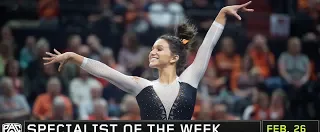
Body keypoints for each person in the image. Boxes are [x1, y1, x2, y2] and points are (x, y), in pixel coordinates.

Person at [43, 2, 254, 120]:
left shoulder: (190, 78)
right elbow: (105, 71)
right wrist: (73, 56)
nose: (152, 52)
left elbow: (207, 46)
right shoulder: (142, 85)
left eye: (159, 48)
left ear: (174, 57)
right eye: (152, 48)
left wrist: (221, 14)